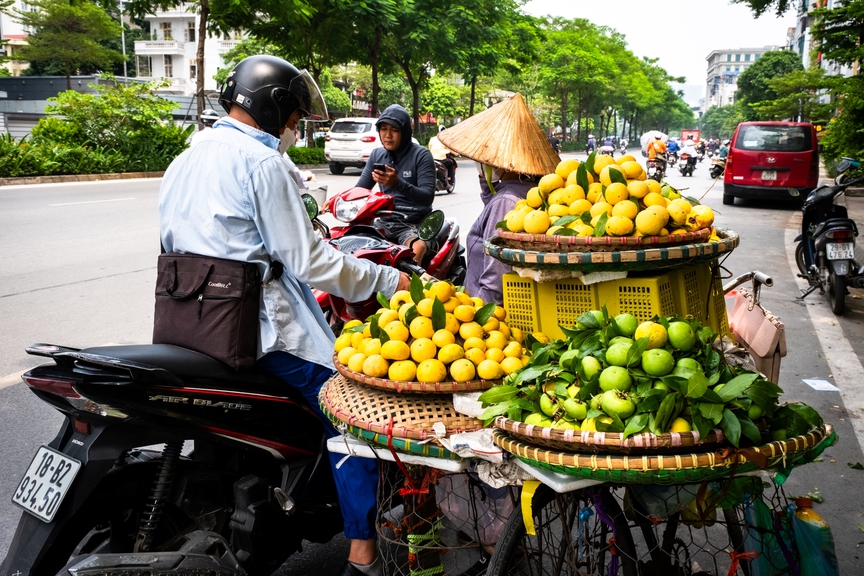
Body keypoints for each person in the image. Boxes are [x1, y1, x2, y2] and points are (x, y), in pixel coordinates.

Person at [158, 55, 410, 576]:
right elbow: (310, 261)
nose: (296, 128)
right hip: (263, 332)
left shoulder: (186, 158)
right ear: (274, 109)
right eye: (295, 118)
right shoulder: (262, 163)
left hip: (190, 326)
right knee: (353, 415)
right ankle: (363, 553)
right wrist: (389, 280)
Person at [437, 93, 560, 305]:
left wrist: (476, 320)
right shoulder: (527, 193)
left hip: (486, 315)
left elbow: (495, 282)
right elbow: (494, 209)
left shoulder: (506, 202)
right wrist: (486, 179)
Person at [356, 104, 436, 263]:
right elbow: (360, 190)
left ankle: (411, 287)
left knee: (417, 249)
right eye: (383, 129)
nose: (388, 135)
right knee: (350, 243)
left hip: (414, 224)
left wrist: (397, 183)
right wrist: (337, 200)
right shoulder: (377, 155)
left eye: (395, 130)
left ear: (405, 132)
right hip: (384, 222)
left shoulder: (421, 155)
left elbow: (427, 197)